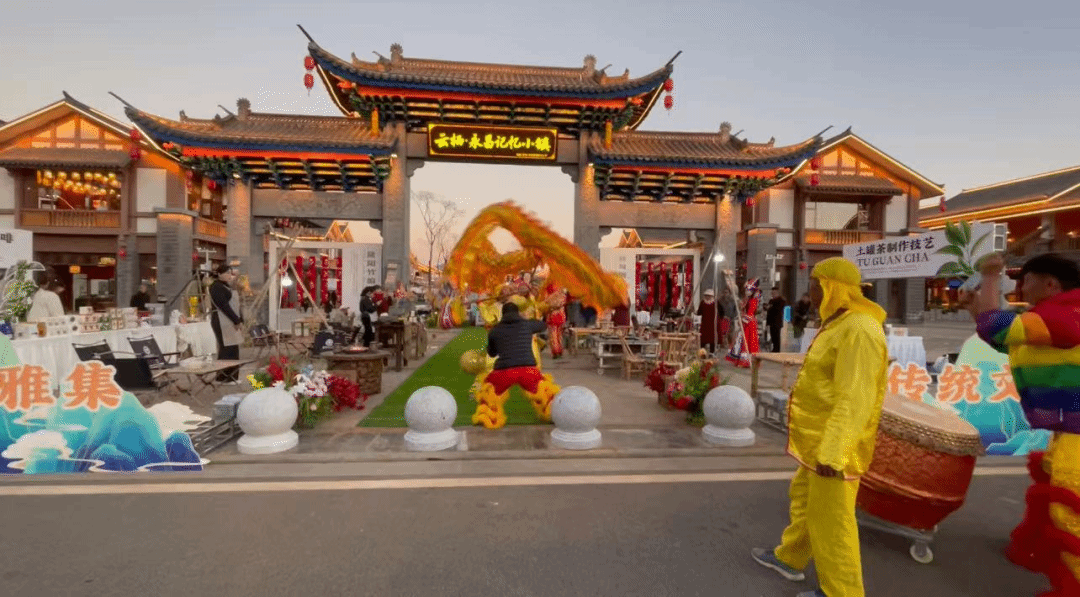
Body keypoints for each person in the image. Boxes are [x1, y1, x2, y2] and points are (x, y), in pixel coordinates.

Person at [751, 257, 888, 597]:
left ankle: (842, 592)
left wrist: (834, 452)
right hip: (818, 441)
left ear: (832, 288)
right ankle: (791, 558)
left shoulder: (859, 330)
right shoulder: (840, 324)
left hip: (834, 449)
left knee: (833, 522)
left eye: (815, 286)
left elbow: (855, 397)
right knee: (805, 500)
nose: (809, 293)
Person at [964, 253, 1080, 595]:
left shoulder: (1065, 314)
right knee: (1053, 483)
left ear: (1050, 284)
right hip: (1069, 428)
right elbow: (1001, 337)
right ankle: (1042, 552)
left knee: (1069, 505)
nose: (1020, 288)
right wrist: (976, 306)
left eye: (1025, 280)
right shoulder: (1053, 316)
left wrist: (989, 276)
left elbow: (997, 327)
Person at [473, 302, 560, 428]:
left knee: (488, 390)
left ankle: (487, 418)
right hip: (528, 370)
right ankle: (555, 413)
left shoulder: (495, 330)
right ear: (518, 313)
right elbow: (543, 325)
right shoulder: (527, 324)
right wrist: (537, 314)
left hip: (504, 371)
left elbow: (492, 353)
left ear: (502, 314)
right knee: (545, 391)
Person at [208, 265, 243, 382]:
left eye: (230, 273)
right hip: (221, 320)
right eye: (227, 273)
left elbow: (234, 304)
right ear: (219, 274)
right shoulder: (216, 287)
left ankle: (232, 377)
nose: (229, 275)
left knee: (233, 349)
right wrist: (236, 320)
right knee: (226, 349)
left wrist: (239, 319)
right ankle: (224, 377)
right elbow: (224, 306)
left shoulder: (226, 286)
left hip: (229, 321)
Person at [697, 289, 722, 354]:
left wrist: (718, 320)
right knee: (703, 338)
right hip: (705, 323)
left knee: (712, 338)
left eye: (709, 296)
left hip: (713, 323)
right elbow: (699, 312)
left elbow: (721, 312)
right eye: (706, 295)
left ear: (712, 296)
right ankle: (702, 352)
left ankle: (712, 352)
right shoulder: (703, 303)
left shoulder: (716, 303)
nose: (707, 297)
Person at [766, 288, 788, 353]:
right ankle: (774, 349)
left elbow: (777, 309)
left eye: (774, 293)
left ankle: (777, 350)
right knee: (772, 336)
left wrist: (770, 307)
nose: (773, 294)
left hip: (777, 321)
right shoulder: (771, 301)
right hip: (771, 322)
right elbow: (768, 310)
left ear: (777, 293)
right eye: (772, 293)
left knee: (777, 337)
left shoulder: (781, 300)